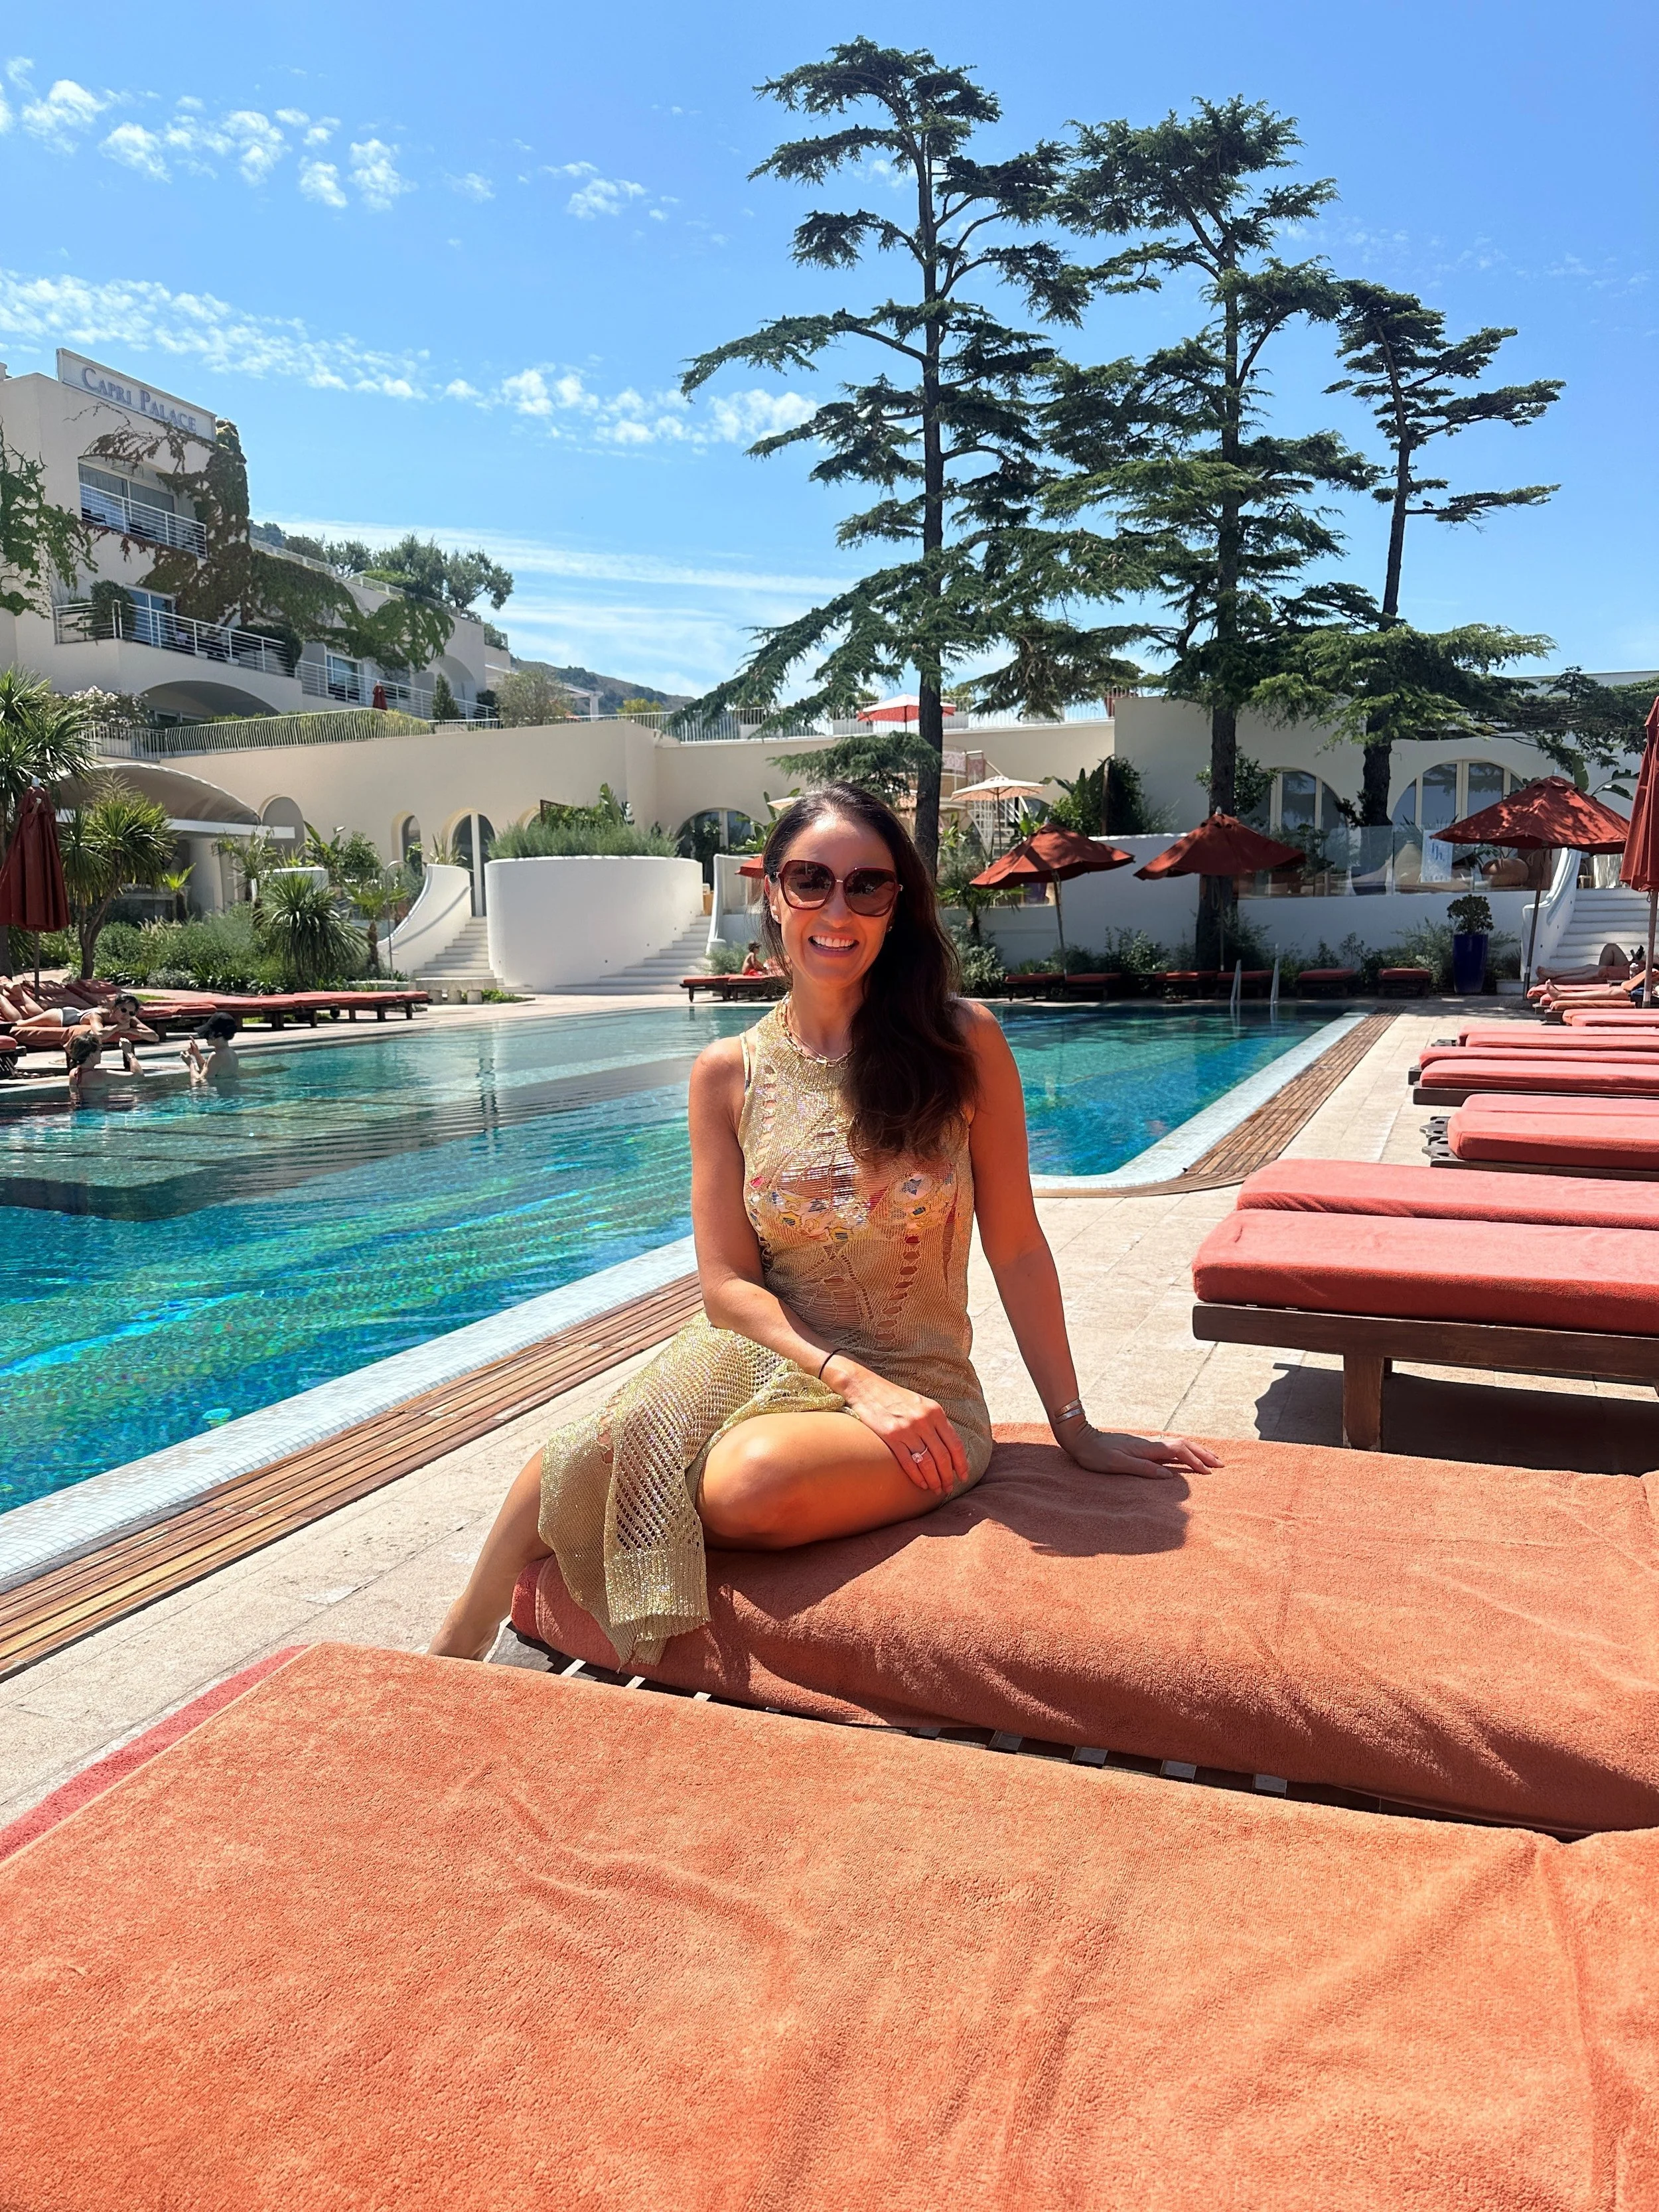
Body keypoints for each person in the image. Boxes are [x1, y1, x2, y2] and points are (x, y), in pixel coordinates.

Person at [431, 782, 1221, 1665]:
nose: (836, 910)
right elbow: (726, 1286)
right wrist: (847, 1379)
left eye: (866, 885)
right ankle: (460, 1637)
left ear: (896, 905)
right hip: (760, 1360)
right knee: (595, 1445)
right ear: (773, 893)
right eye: (810, 880)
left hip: (919, 1390)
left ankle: (583, 1551)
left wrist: (1074, 1425)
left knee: (747, 1484)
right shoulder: (727, 1073)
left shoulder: (962, 1044)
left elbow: (1018, 1247)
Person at [183, 1012, 242, 1087]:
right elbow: (209, 1072)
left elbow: (198, 1083)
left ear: (217, 1034)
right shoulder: (233, 1054)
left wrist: (190, 1063)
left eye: (208, 1034)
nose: (206, 1037)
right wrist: (197, 1055)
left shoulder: (216, 1056)